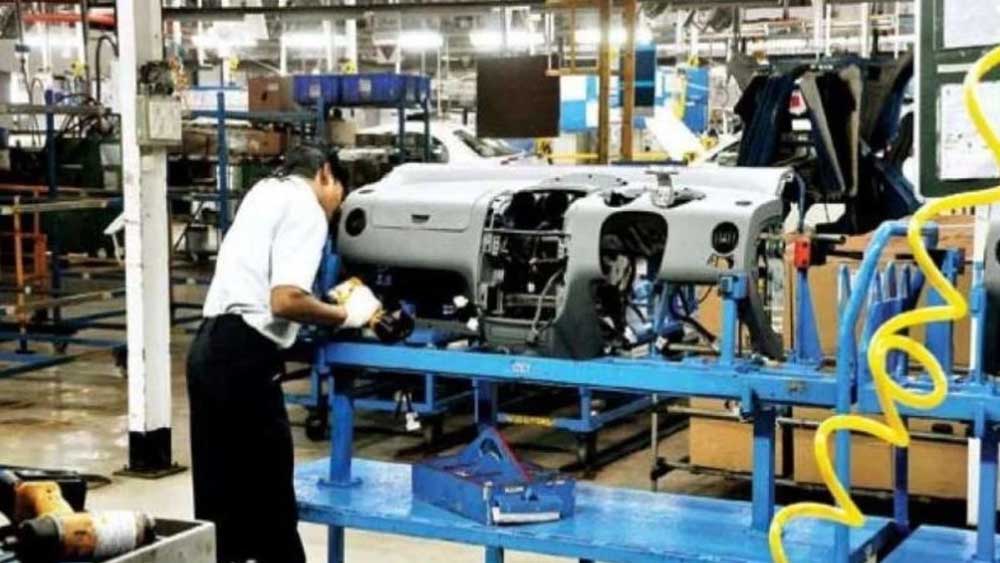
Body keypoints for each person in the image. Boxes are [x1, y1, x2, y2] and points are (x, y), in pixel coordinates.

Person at [186, 142, 381, 563]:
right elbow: (286, 299)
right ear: (325, 174)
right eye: (340, 195)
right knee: (272, 511)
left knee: (222, 514)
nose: (336, 208)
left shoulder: (262, 193)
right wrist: (344, 315)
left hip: (207, 350)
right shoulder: (307, 208)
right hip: (243, 361)